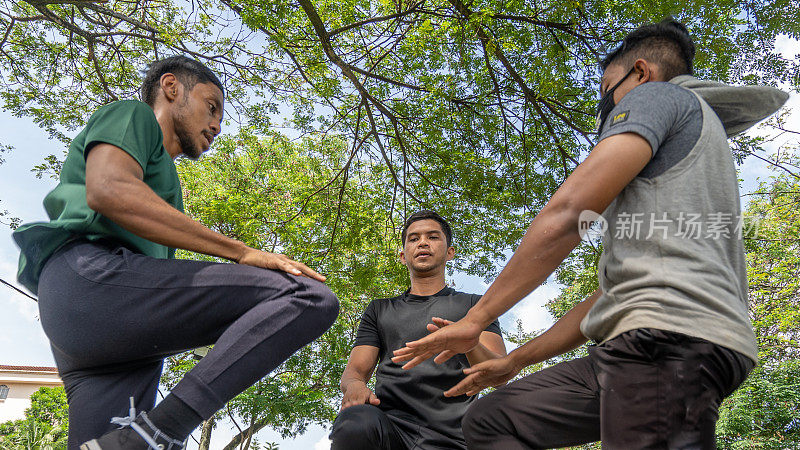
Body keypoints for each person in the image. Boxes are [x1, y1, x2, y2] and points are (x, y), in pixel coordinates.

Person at [392, 20, 789, 449]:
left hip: (666, 342)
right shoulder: (678, 180)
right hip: (638, 341)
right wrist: (514, 361)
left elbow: (567, 216)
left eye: (606, 89)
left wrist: (476, 319)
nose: (606, 106)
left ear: (640, 72)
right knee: (493, 418)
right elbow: (609, 296)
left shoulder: (656, 95)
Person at [12, 55, 339, 450]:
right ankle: (160, 431)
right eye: (211, 107)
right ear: (171, 88)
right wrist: (241, 252)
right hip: (89, 280)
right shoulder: (133, 115)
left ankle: (144, 437)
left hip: (107, 342)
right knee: (305, 295)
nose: (217, 125)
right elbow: (109, 188)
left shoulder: (168, 189)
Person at [329, 210, 506, 450]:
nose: (422, 242)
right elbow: (355, 372)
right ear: (403, 256)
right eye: (414, 238)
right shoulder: (380, 309)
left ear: (450, 252)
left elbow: (498, 375)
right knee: (355, 422)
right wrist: (355, 386)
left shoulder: (476, 306)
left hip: (457, 435)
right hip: (390, 429)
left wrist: (471, 342)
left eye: (433, 237)